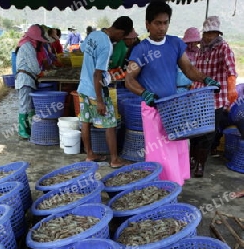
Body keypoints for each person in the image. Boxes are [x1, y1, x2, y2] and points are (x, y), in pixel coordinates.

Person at [125, 1, 220, 183]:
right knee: (159, 152)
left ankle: (175, 186)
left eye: (165, 22)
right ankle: (159, 188)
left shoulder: (175, 43)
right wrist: (145, 94)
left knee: (178, 148)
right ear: (147, 24)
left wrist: (204, 78)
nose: (162, 27)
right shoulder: (141, 49)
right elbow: (129, 80)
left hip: (174, 108)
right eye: (157, 23)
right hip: (153, 109)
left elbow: (188, 69)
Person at [77, 16, 133, 168]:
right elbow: (97, 74)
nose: (121, 39)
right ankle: (114, 160)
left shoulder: (93, 35)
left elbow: (82, 50)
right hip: (96, 89)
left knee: (86, 121)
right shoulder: (107, 45)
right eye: (123, 36)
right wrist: (100, 100)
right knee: (110, 124)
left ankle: (90, 154)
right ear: (120, 32)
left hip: (83, 87)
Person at [190, 16, 238, 176]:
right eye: (207, 33)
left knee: (208, 132)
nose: (209, 36)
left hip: (215, 98)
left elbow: (231, 70)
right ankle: (192, 158)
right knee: (194, 129)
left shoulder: (223, 48)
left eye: (213, 33)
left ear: (218, 33)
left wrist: (232, 87)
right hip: (198, 95)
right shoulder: (201, 49)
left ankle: (200, 164)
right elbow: (195, 71)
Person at [15, 24, 47, 139]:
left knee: (28, 105)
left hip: (28, 78)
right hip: (25, 79)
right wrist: (40, 73)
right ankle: (22, 131)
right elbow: (33, 65)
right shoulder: (28, 46)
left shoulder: (28, 45)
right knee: (24, 105)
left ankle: (27, 128)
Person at [176, 27, 201, 93]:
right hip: (178, 89)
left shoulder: (199, 54)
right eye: (190, 42)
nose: (192, 44)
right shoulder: (180, 53)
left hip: (194, 90)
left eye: (194, 42)